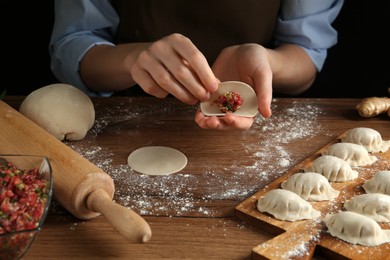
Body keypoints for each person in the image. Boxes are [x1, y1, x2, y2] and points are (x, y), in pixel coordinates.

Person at [49, 0, 344, 130]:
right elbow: (73, 42)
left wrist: (267, 61)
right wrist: (133, 58)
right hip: (125, 121)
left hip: (247, 132)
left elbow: (306, 50)